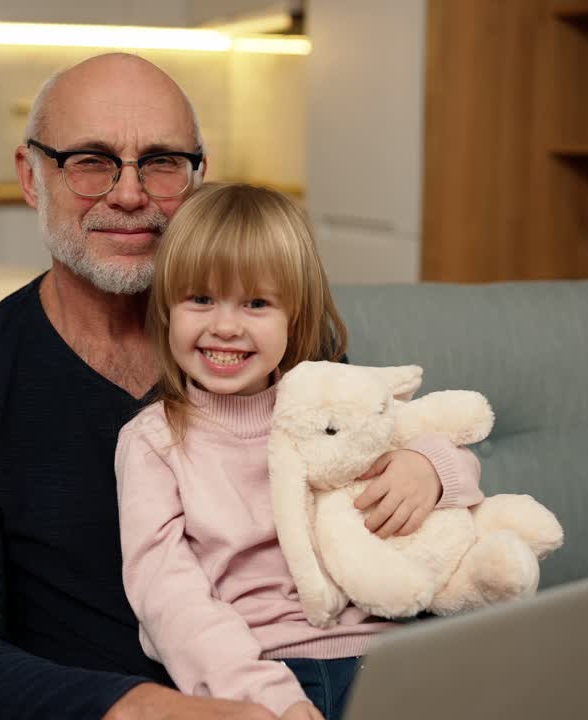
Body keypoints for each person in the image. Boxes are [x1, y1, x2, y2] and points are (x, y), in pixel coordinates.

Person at [0, 53, 469, 720]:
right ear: (31, 177)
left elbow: (386, 491)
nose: (130, 194)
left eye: (162, 161)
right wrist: (138, 709)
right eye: (89, 160)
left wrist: (427, 469)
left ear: (198, 178)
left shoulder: (281, 353)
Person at [113, 183, 485, 720]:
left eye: (257, 303)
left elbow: (449, 453)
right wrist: (267, 696)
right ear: (166, 309)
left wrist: (431, 468)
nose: (225, 325)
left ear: (295, 316)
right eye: (200, 298)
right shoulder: (154, 444)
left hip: (398, 651)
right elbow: (168, 600)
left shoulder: (330, 398)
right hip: (271, 674)